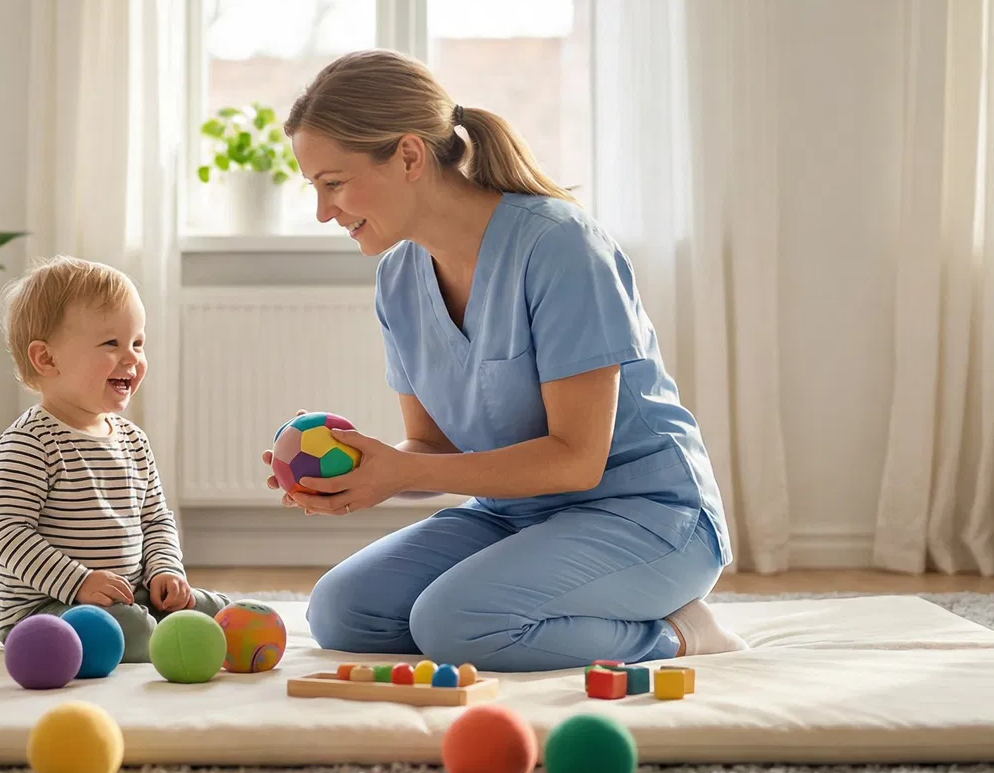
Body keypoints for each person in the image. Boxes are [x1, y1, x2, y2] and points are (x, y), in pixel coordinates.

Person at [267, 49, 748, 673]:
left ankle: (678, 632)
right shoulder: (398, 278)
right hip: (514, 517)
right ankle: (533, 603)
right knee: (341, 613)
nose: (323, 211)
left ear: (410, 156)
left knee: (455, 624)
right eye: (315, 188)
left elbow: (577, 460)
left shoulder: (560, 247)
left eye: (333, 183)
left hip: (647, 514)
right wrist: (364, 467)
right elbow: (431, 450)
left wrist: (400, 474)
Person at [0, 255, 227, 661]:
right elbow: (7, 533)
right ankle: (173, 638)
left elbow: (156, 519)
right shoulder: (30, 442)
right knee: (126, 628)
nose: (132, 358)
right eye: (111, 344)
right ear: (47, 359)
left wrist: (166, 572)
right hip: (47, 609)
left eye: (137, 342)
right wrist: (77, 583)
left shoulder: (133, 440)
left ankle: (193, 625)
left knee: (208, 608)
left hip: (129, 597)